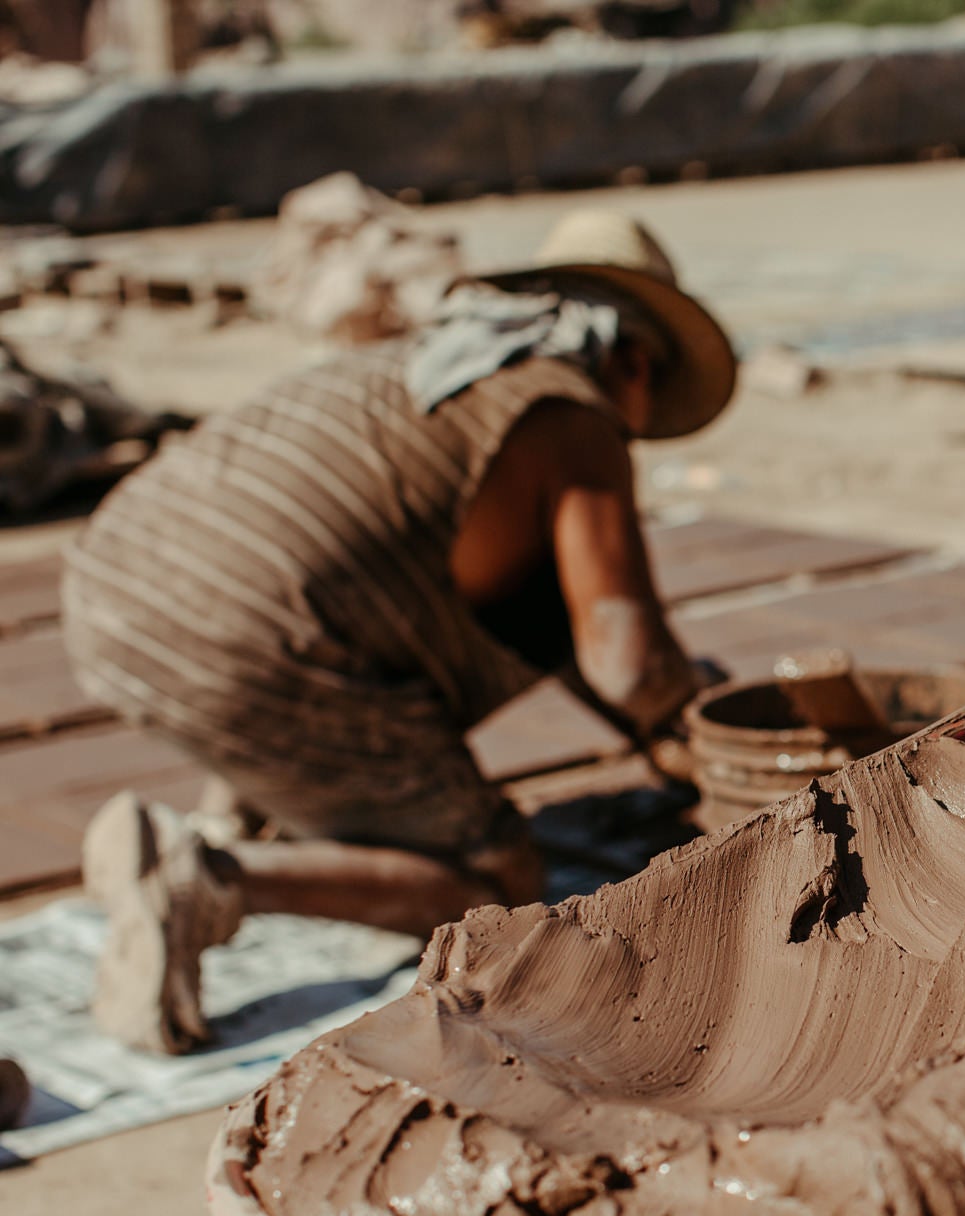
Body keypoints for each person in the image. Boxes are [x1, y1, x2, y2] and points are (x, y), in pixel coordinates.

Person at [62, 209, 737, 1054]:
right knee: (499, 875)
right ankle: (207, 876)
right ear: (634, 359)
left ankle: (239, 816)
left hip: (109, 596)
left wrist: (653, 725)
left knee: (318, 619)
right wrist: (712, 728)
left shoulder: (418, 370)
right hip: (250, 640)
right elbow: (628, 666)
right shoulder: (572, 411)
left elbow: (543, 625)